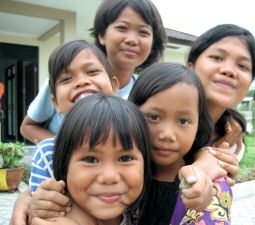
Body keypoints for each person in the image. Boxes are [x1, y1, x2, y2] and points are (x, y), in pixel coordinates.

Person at [20, 0, 167, 144]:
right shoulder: (66, 80)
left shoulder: (146, 91)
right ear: (102, 35)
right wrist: (62, 150)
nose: (132, 40)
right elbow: (28, 127)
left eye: (143, 32)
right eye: (122, 28)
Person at [170, 23, 255, 224]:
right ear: (191, 66)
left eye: (243, 66)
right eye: (216, 57)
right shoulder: (151, 116)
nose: (229, 70)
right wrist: (202, 165)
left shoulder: (230, 139)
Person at [128, 62, 232, 225]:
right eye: (153, 117)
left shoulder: (210, 183)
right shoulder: (118, 174)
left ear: (198, 126)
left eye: (183, 121)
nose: (168, 135)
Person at [32, 93, 153, 225]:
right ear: (64, 166)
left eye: (125, 158)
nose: (109, 177)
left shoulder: (149, 214)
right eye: (90, 160)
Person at [29, 39, 119, 193]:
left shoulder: (134, 140)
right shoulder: (48, 153)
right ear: (55, 102)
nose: (82, 81)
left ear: (114, 86)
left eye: (92, 71)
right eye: (66, 79)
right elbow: (38, 207)